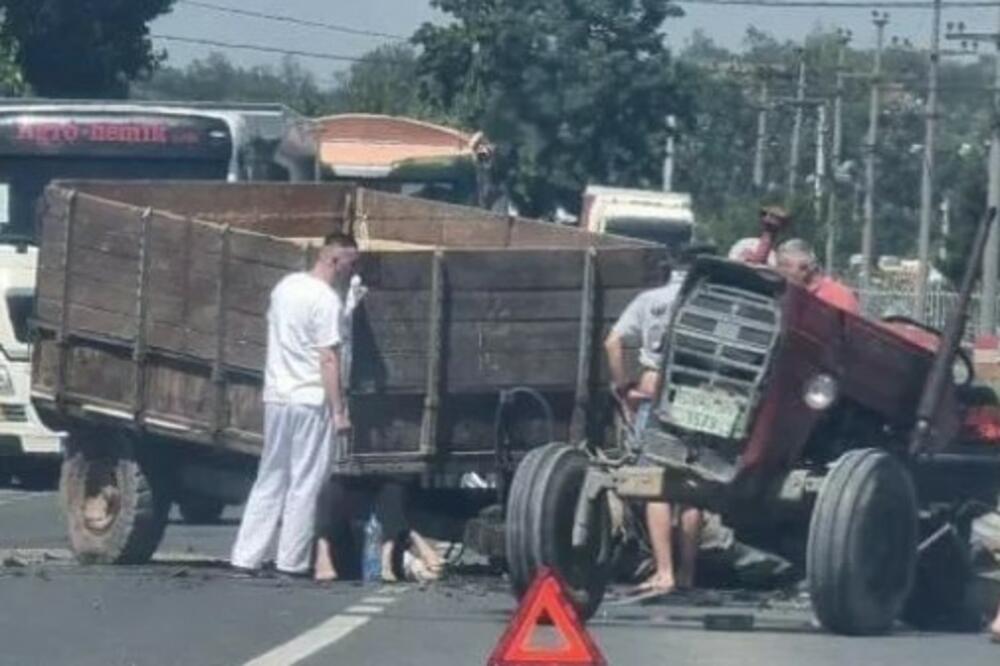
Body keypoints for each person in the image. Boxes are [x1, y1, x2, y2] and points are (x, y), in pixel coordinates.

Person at [230, 232, 359, 578]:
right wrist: (339, 410)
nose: (352, 269)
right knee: (305, 481)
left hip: (277, 395)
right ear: (334, 259)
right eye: (351, 262)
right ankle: (291, 561)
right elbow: (328, 359)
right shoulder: (326, 301)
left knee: (270, 476)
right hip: (309, 399)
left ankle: (245, 556)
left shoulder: (285, 287)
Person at [604, 256, 701, 596]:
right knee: (693, 484)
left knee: (655, 483)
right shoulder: (702, 301)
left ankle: (664, 572)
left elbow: (612, 342)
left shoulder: (649, 300)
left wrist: (623, 385)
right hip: (696, 393)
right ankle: (688, 573)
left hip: (654, 389)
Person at [313, 477, 444, 583]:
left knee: (393, 489)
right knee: (331, 489)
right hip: (349, 482)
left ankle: (387, 555)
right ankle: (322, 552)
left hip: (385, 485)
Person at [774, 239, 861, 314]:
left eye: (784, 265)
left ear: (805, 267)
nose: (779, 270)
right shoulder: (784, 291)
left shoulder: (838, 296)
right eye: (779, 265)